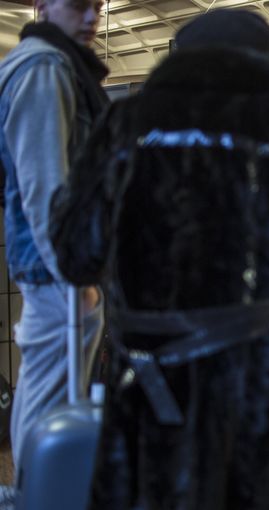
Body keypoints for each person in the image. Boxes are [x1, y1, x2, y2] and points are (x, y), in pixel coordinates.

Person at [49, 10, 269, 508]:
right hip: (266, 378)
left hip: (149, 381)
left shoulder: (125, 122)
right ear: (263, 55)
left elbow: (74, 252)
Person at [0, 0, 107, 467]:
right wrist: (72, 275)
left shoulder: (45, 63)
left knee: (42, 387)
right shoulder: (45, 67)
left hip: (49, 260)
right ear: (43, 6)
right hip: (53, 266)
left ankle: (34, 491)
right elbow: (45, 186)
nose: (91, 18)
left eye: (97, 6)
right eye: (79, 5)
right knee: (50, 399)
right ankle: (38, 493)